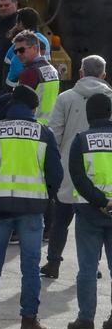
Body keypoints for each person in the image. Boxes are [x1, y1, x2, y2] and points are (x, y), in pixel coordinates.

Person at [0, 85, 62, 329]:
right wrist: (46, 196)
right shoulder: (44, 133)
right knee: (31, 267)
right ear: (33, 108)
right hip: (33, 208)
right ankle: (28, 321)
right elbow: (56, 173)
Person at [41, 55, 112, 280]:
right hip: (99, 172)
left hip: (67, 167)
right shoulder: (109, 98)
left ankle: (53, 263)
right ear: (104, 75)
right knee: (96, 223)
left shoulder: (65, 97)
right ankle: (94, 265)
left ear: (81, 73)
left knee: (61, 219)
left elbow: (55, 133)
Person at [65, 93, 112, 329]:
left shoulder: (81, 140)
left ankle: (85, 319)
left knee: (87, 268)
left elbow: (78, 178)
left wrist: (101, 201)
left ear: (88, 114)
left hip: (89, 211)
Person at [14, 29, 60, 126]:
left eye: (21, 50)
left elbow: (20, 107)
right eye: (16, 51)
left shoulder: (29, 73)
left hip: (32, 127)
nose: (18, 54)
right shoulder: (52, 70)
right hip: (50, 126)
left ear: (35, 48)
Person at [3, 8, 51, 91]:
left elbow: (16, 67)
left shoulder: (20, 43)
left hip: (23, 87)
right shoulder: (45, 40)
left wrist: (9, 87)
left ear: (21, 23)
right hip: (43, 84)